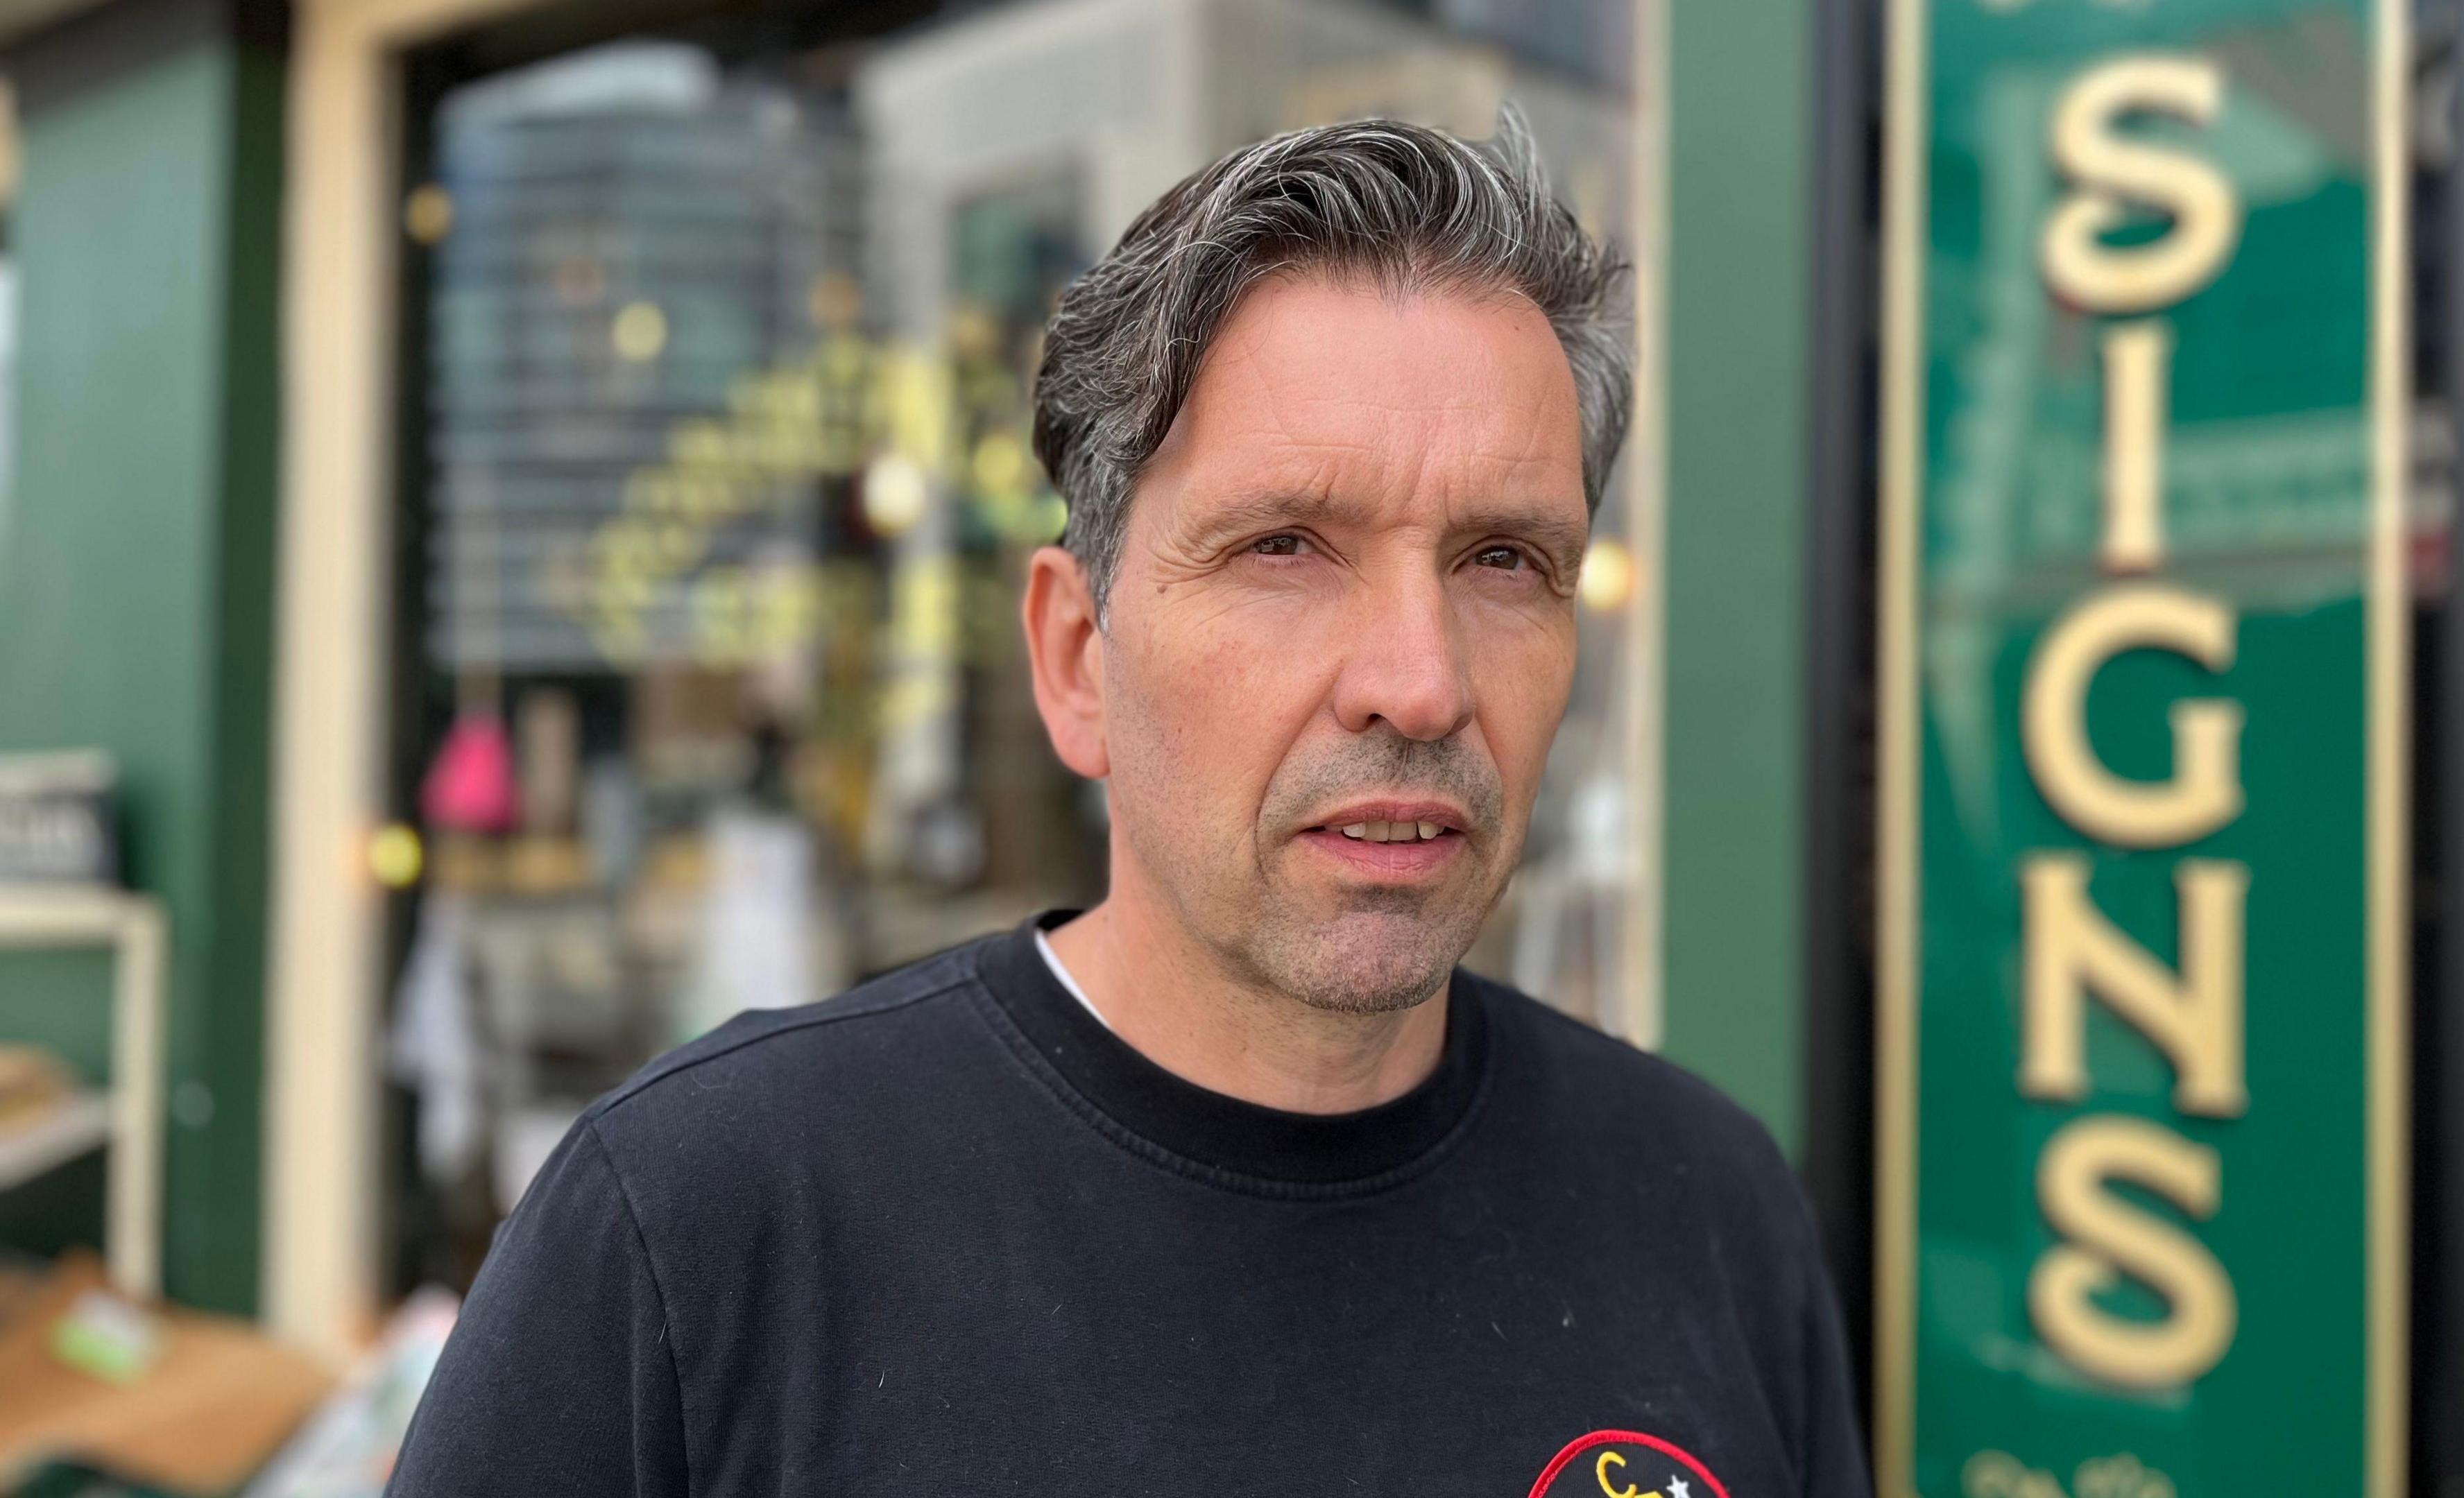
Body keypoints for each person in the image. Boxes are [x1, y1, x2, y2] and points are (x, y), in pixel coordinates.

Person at [387, 115, 1868, 1497]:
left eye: (1502, 560)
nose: (1419, 684)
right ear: (1076, 657)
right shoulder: (706, 1228)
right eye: (1286, 547)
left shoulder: (1710, 1208)